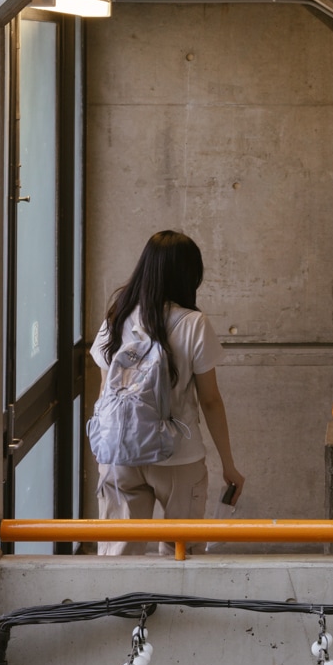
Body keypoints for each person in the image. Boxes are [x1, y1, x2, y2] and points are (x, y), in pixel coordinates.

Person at [90, 230, 245, 555]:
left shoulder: (116, 316)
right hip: (178, 455)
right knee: (181, 552)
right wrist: (229, 465)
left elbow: (105, 392)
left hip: (120, 454)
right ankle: (175, 606)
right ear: (190, 275)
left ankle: (124, 607)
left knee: (120, 553)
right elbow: (210, 401)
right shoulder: (193, 324)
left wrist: (104, 451)